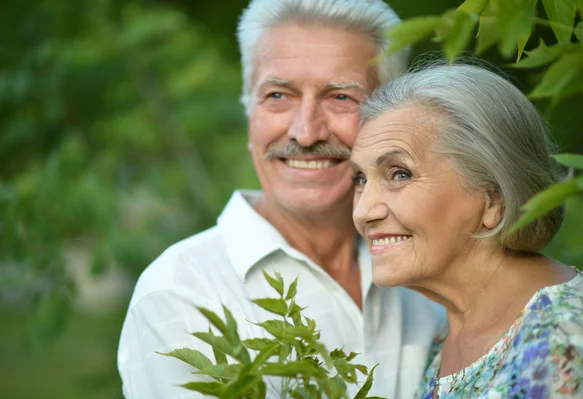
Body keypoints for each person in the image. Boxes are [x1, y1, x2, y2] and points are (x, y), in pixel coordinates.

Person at [117, 1, 446, 398]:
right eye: (278, 95)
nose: (306, 132)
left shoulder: (434, 272)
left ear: (388, 118)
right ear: (248, 111)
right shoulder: (180, 295)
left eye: (341, 97)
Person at [350, 62, 583, 399]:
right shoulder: (451, 328)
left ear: (493, 199)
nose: (363, 211)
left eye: (399, 174)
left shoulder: (564, 342)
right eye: (361, 179)